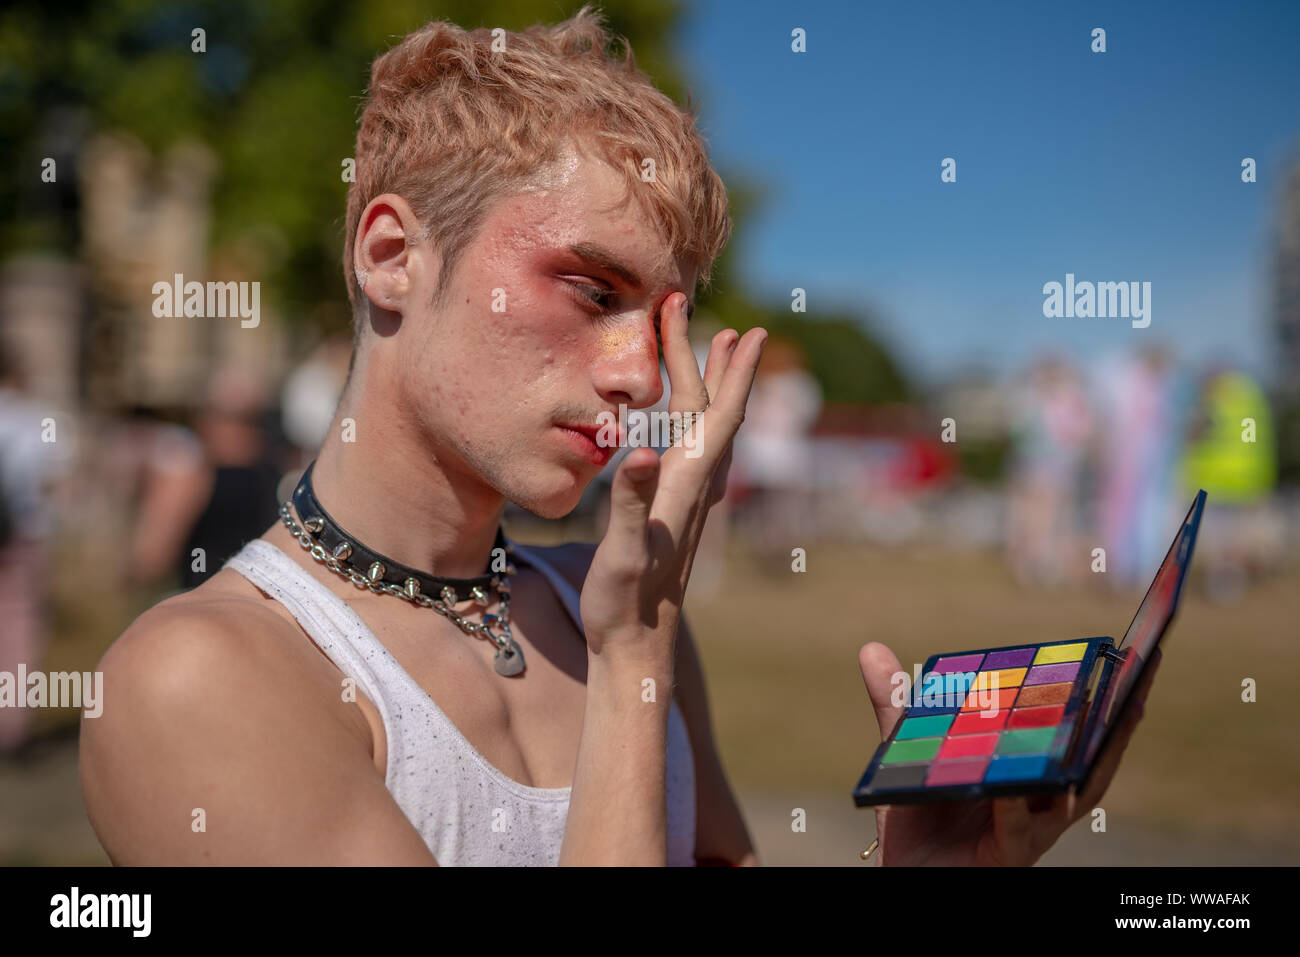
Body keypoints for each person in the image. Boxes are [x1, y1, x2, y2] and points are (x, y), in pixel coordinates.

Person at [78, 6, 1154, 867]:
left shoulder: (614, 610)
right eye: (591, 290)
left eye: (665, 320)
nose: (642, 373)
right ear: (393, 254)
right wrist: (633, 655)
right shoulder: (204, 678)